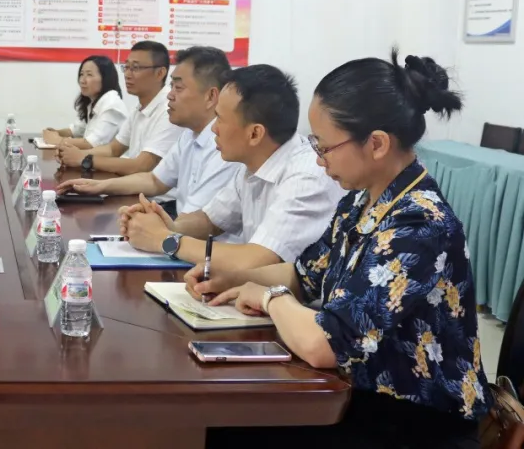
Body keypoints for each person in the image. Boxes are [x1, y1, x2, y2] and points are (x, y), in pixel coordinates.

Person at [197, 51, 489, 448]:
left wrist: (269, 297)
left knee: (227, 431)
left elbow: (326, 345)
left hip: (417, 422)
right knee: (223, 420)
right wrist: (232, 278)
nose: (318, 160)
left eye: (324, 146)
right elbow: (304, 274)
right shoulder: (362, 200)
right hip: (362, 396)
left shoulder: (419, 222)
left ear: (377, 144)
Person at [120, 64, 344, 272]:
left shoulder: (307, 177)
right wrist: (166, 226)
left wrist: (164, 239)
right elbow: (211, 220)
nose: (213, 129)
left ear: (255, 133)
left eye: (219, 119)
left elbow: (257, 260)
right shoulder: (253, 163)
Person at [57, 47, 241, 218]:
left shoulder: (224, 148)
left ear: (210, 96)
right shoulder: (189, 134)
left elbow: (198, 222)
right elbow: (155, 180)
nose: (170, 95)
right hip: (179, 224)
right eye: (126, 67)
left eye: (178, 88)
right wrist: (98, 186)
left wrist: (155, 228)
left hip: (190, 230)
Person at [56, 41, 182, 175]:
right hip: (134, 183)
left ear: (160, 73)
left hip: (150, 188)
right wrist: (75, 154)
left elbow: (142, 166)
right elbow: (113, 149)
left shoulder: (169, 110)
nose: (127, 74)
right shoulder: (138, 107)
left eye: (135, 68)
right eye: (126, 67)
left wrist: (84, 159)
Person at [42, 55, 127, 149]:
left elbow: (93, 143)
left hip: (108, 158)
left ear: (105, 78)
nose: (82, 80)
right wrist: (56, 133)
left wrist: (59, 140)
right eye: (81, 74)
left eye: (89, 75)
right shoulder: (93, 102)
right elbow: (78, 130)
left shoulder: (112, 105)